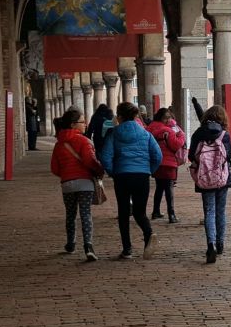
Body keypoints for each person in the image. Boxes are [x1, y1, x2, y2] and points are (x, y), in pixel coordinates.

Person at [100, 102, 162, 260]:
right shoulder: (145, 133)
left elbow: (105, 157)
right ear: (135, 116)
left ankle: (127, 249)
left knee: (123, 212)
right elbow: (158, 156)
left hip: (122, 175)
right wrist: (149, 170)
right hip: (141, 176)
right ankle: (149, 235)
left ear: (119, 117)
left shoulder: (114, 133)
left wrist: (113, 172)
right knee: (140, 212)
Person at [50, 108, 104, 262]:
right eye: (82, 122)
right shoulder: (84, 141)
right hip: (85, 182)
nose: (85, 124)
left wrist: (67, 175)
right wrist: (100, 170)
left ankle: (71, 243)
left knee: (70, 214)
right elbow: (90, 161)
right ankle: (88, 245)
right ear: (73, 124)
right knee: (85, 213)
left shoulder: (59, 144)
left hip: (67, 184)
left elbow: (54, 168)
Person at [188, 105, 231, 264]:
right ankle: (220, 244)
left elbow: (190, 156)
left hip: (204, 178)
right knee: (220, 211)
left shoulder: (198, 134)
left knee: (209, 211)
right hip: (222, 179)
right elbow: (229, 156)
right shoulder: (224, 135)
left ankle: (211, 244)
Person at [147, 107, 186, 223]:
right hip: (168, 163)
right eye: (166, 118)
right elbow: (176, 145)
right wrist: (181, 135)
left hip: (157, 163)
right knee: (169, 189)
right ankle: (171, 214)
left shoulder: (149, 129)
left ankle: (156, 211)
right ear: (162, 118)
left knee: (159, 187)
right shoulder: (168, 131)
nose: (168, 120)